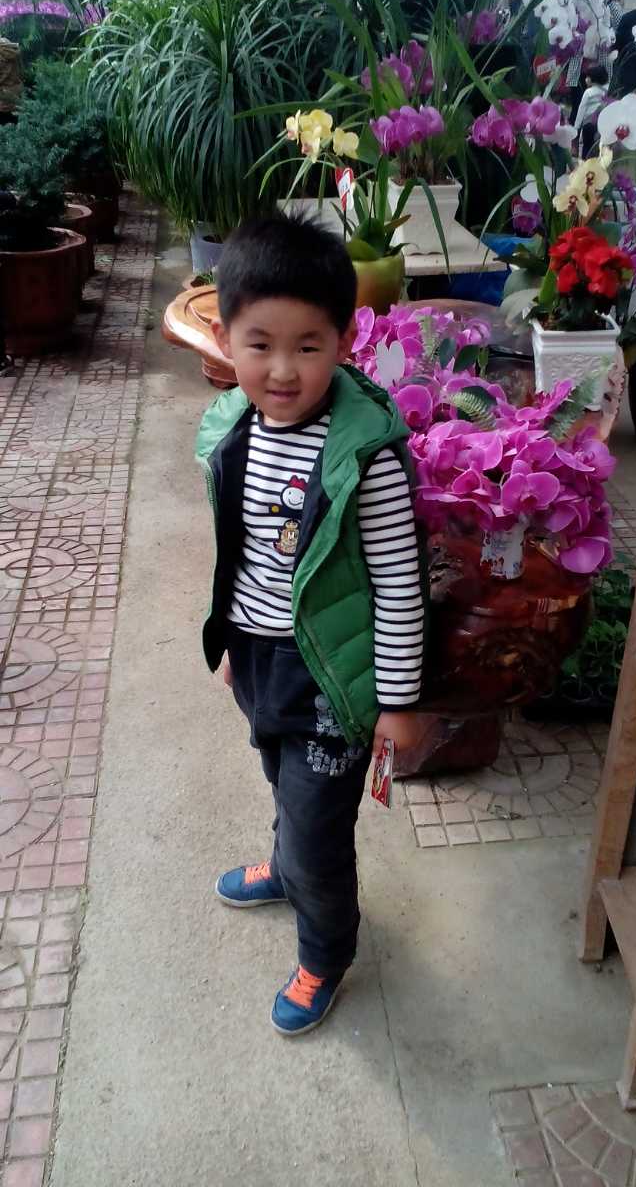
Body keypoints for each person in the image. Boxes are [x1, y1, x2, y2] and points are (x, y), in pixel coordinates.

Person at [196, 214, 426, 1037]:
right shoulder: (232, 432)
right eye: (260, 345)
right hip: (259, 662)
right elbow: (242, 554)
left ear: (345, 340)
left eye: (309, 346)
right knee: (282, 784)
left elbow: (398, 585)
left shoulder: (368, 459)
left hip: (334, 678)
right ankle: (287, 864)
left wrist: (397, 703)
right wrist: (233, 641)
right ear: (225, 337)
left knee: (320, 827)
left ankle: (325, 950)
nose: (284, 370)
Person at [575, 64, 609, 155]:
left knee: (586, 146)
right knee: (598, 147)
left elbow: (581, 109)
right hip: (602, 123)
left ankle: (585, 161)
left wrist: (577, 126)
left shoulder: (588, 92)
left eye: (587, 77)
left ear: (592, 79)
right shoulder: (607, 90)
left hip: (589, 124)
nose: (586, 79)